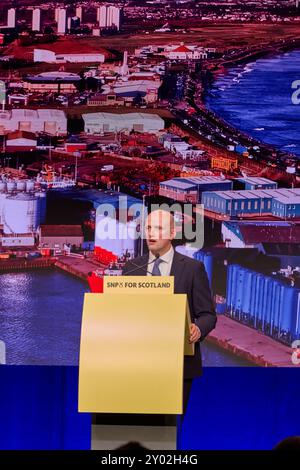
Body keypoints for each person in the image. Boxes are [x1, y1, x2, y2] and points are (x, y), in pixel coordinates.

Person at [122, 209, 217, 416]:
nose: (151, 233)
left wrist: (198, 330)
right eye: (148, 228)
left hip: (179, 366)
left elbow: (208, 315)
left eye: (158, 228)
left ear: (172, 233)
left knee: (168, 431)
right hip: (137, 366)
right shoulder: (132, 268)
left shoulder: (193, 269)